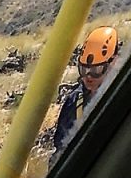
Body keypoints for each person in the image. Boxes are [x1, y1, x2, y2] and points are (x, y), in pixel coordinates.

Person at [51, 26, 120, 164]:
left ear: (113, 62)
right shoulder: (74, 102)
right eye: (84, 69)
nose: (88, 76)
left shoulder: (119, 94)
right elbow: (60, 147)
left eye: (96, 69)